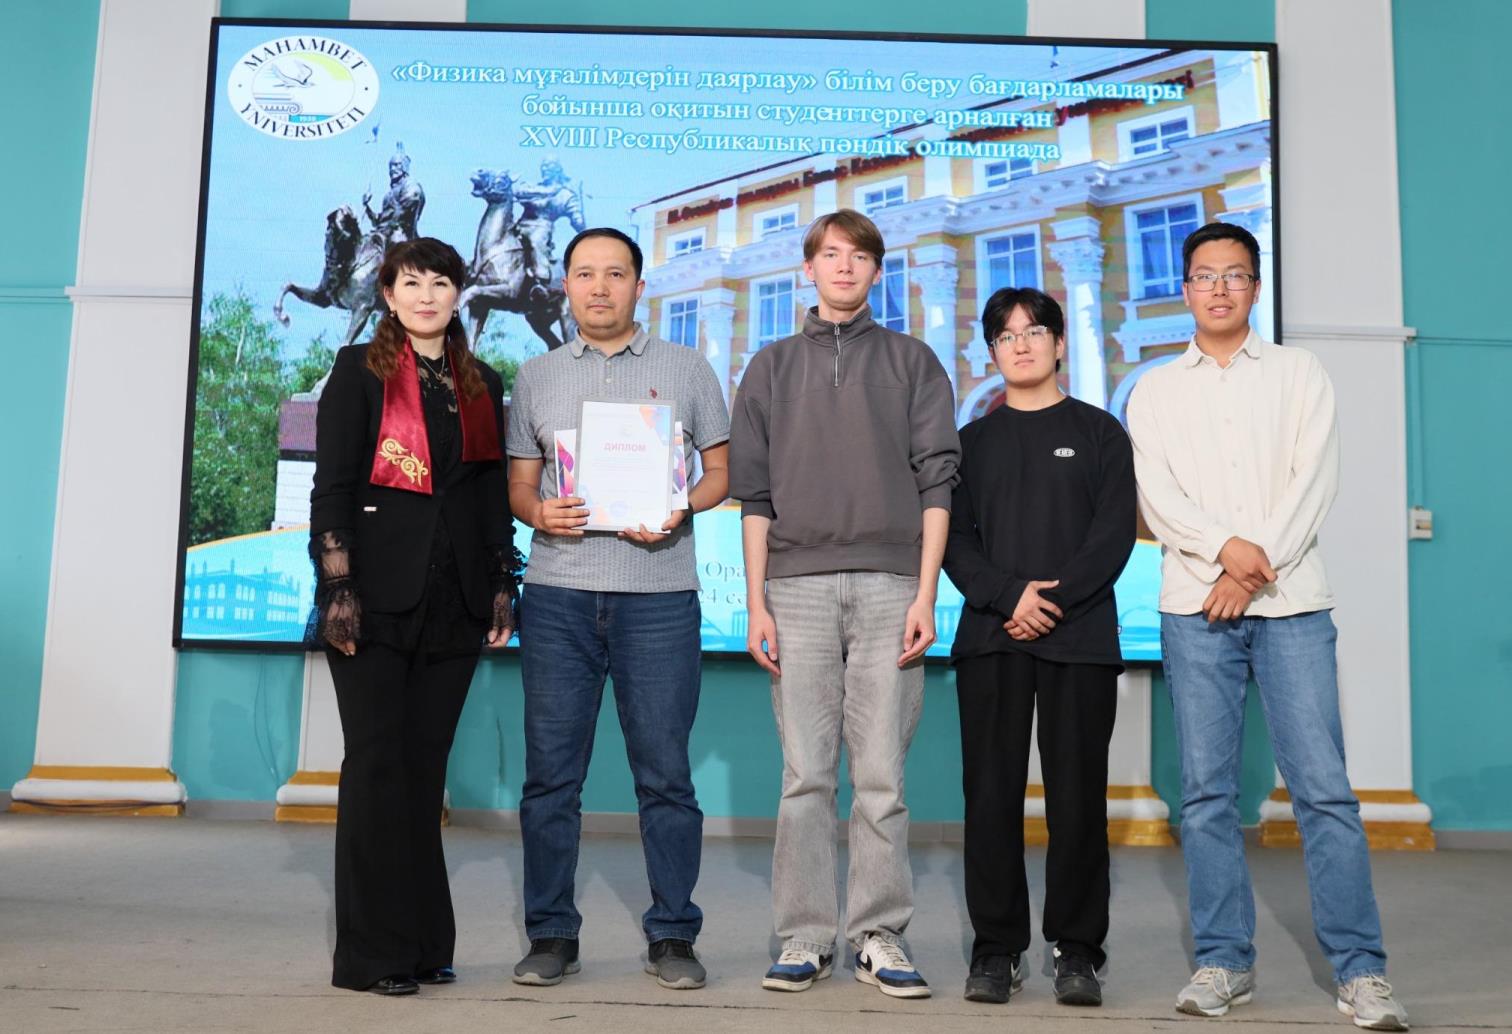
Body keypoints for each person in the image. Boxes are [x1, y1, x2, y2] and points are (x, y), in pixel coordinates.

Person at [1125, 222, 1409, 1031]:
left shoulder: (1299, 373)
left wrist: (1249, 568)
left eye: (1235, 275)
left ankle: (1362, 972)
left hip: (1293, 606)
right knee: (1206, 796)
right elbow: (1160, 497)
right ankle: (1224, 961)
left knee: (1324, 793)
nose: (1219, 288)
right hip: (1195, 611)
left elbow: (1313, 481)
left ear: (1256, 286)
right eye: (1204, 275)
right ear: (1185, 287)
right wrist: (1225, 553)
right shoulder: (1154, 390)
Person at [729, 209, 960, 999]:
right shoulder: (770, 367)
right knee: (804, 775)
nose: (845, 267)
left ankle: (878, 934)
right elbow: (753, 496)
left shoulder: (913, 361)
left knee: (882, 776)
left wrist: (926, 592)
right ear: (809, 268)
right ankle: (804, 934)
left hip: (893, 585)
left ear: (876, 272)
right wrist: (757, 601)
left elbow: (938, 483)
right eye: (831, 254)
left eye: (860, 256)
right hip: (794, 589)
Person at [504, 227, 730, 991]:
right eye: (584, 274)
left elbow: (721, 472)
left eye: (615, 273)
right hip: (559, 595)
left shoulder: (686, 368)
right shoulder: (536, 376)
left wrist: (680, 506)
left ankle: (673, 935)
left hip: (660, 597)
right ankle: (550, 933)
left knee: (666, 776)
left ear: (640, 284)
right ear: (565, 285)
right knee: (550, 778)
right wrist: (539, 513)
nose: (599, 287)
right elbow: (520, 485)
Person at [308, 237, 520, 996]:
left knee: (425, 771)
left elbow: (488, 493)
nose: (427, 295)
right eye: (411, 282)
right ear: (389, 295)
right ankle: (374, 955)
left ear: (459, 294)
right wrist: (339, 588)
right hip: (372, 600)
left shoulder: (482, 381)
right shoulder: (357, 372)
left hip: (454, 603)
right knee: (376, 767)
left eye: (440, 283)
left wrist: (501, 584)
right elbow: (333, 487)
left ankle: (427, 943)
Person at [943, 286, 1136, 1007]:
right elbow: (954, 540)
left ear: (1059, 343)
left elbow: (1113, 535)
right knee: (990, 797)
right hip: (991, 639)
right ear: (991, 352)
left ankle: (1078, 950)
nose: (1020, 344)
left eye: (1033, 331)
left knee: (1078, 801)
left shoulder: (1100, 432)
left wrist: (1048, 602)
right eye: (1005, 335)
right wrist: (1008, 597)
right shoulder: (969, 443)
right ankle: (996, 949)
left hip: (1079, 640)